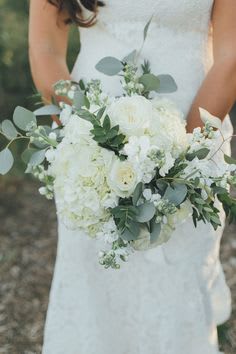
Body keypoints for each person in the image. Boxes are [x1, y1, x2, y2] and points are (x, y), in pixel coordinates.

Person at [29, 1, 235, 353]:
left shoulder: (189, 152)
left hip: (197, 132)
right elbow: (45, 46)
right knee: (94, 283)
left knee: (179, 279)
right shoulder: (88, 143)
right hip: (90, 147)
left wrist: (179, 159)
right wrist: (88, 135)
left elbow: (231, 56)